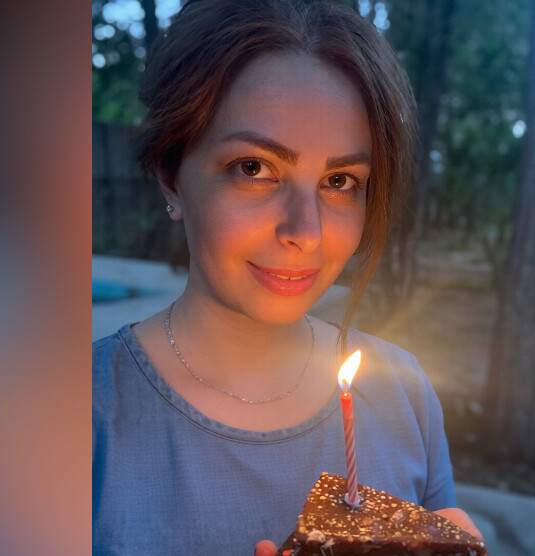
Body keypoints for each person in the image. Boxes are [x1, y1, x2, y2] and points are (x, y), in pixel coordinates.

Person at [93, 0, 481, 553]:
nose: (306, 231)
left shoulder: (402, 393)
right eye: (254, 168)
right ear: (171, 177)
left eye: (340, 181)